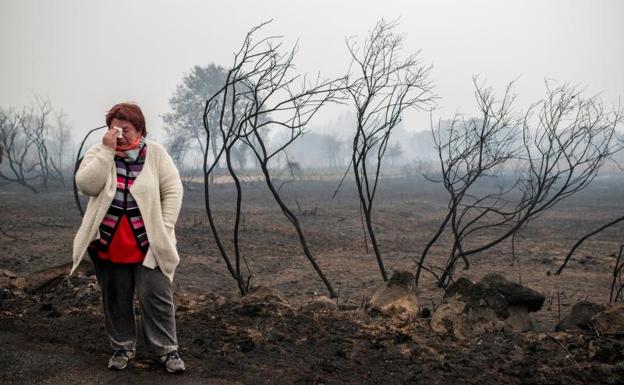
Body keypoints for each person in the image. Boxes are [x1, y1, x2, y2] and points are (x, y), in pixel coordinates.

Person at [70, 102, 185, 373]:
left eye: (126, 128)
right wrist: (107, 152)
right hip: (108, 242)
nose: (119, 133)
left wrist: (165, 227)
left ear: (140, 130)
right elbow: (87, 185)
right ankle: (122, 347)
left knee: (156, 296)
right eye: (115, 127)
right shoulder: (99, 152)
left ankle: (168, 351)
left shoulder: (156, 154)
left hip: (149, 243)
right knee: (115, 297)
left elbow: (173, 191)